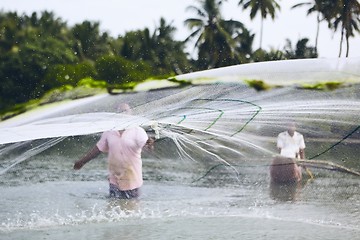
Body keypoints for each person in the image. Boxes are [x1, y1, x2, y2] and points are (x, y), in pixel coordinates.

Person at [74, 126, 150, 199]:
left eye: (125, 111)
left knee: (132, 208)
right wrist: (82, 162)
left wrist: (149, 144)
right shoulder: (109, 131)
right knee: (113, 207)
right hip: (114, 181)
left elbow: (146, 145)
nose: (123, 112)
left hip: (132, 181)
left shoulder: (138, 131)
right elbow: (98, 149)